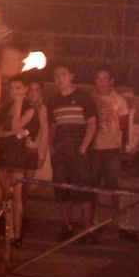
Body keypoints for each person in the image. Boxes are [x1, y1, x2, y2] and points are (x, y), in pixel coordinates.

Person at [43, 65, 97, 238]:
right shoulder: (53, 100)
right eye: (56, 75)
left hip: (79, 152)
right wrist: (50, 146)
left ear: (71, 76)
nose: (59, 78)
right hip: (60, 153)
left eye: (63, 74)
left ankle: (89, 229)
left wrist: (82, 148)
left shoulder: (83, 97)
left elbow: (92, 124)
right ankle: (67, 226)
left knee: (83, 190)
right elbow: (53, 125)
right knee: (61, 190)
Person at [0, 78, 41, 244]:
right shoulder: (4, 108)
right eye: (12, 88)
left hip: (18, 156)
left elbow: (15, 125)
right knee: (6, 195)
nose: (15, 91)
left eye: (19, 88)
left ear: (25, 90)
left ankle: (17, 234)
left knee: (17, 195)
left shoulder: (30, 109)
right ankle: (9, 231)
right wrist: (15, 133)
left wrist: (19, 104)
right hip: (3, 154)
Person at [87, 67, 131, 239]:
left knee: (115, 189)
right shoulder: (89, 98)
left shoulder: (119, 101)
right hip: (93, 149)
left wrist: (125, 147)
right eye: (99, 78)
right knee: (93, 188)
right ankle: (92, 224)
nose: (102, 82)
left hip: (112, 148)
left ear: (111, 80)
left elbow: (124, 126)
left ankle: (122, 225)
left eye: (105, 79)